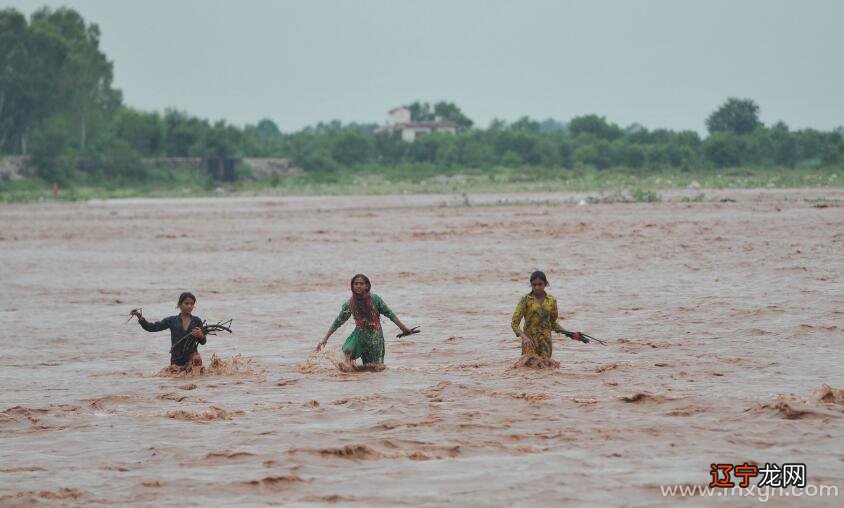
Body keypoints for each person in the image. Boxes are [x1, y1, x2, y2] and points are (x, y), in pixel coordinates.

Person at [315, 274, 413, 371]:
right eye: (356, 284)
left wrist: (404, 329)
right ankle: (349, 373)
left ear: (367, 286)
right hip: (359, 336)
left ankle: (358, 375)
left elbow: (390, 314)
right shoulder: (349, 304)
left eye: (361, 283)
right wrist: (325, 339)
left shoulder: (375, 299)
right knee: (347, 350)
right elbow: (338, 321)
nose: (358, 286)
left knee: (374, 368)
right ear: (352, 286)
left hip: (375, 339)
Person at [511, 271, 583, 360]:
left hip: (546, 343)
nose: (537, 287)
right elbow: (514, 324)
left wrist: (570, 334)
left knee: (546, 369)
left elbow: (552, 324)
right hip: (530, 343)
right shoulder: (525, 300)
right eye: (534, 285)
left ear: (545, 284)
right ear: (531, 285)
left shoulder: (551, 301)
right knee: (528, 368)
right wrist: (524, 338)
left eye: (540, 284)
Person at [131, 292, 206, 370]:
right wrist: (140, 317)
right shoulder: (171, 320)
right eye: (186, 303)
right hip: (176, 360)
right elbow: (152, 327)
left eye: (192, 304)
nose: (189, 306)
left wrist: (201, 335)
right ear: (180, 305)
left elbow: (203, 342)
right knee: (176, 380)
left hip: (192, 359)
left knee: (194, 375)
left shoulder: (197, 321)